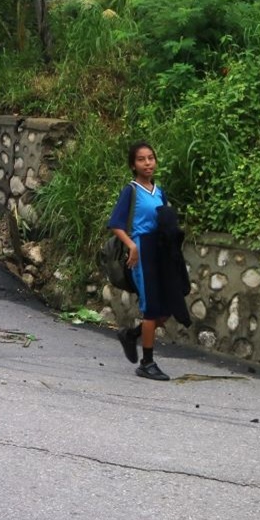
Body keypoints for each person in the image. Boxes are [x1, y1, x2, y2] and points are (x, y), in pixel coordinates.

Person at [109, 141, 175, 381]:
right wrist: (132, 245)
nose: (147, 163)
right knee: (151, 309)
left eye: (151, 158)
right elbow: (115, 224)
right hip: (141, 253)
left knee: (165, 311)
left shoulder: (159, 191)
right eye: (141, 159)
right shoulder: (132, 190)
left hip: (158, 253)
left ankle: (131, 335)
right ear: (133, 165)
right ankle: (147, 363)